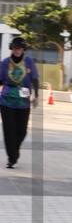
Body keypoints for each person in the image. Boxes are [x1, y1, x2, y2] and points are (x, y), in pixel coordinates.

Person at [0, 37, 39, 169]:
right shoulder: (5, 63)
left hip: (23, 102)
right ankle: (12, 158)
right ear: (12, 49)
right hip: (6, 101)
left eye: (20, 48)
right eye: (15, 48)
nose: (17, 50)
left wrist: (36, 95)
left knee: (22, 131)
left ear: (23, 49)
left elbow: (35, 79)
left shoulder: (29, 62)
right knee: (9, 130)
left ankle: (14, 151)